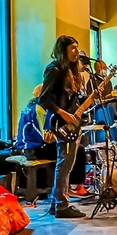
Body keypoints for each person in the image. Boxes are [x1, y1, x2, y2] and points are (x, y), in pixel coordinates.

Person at [39, 36, 87, 219]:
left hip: (73, 124)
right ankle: (61, 204)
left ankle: (56, 203)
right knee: (64, 164)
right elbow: (44, 99)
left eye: (77, 47)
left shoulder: (72, 71)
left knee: (67, 163)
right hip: (61, 124)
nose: (76, 51)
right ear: (63, 50)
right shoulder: (54, 70)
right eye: (73, 48)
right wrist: (62, 113)